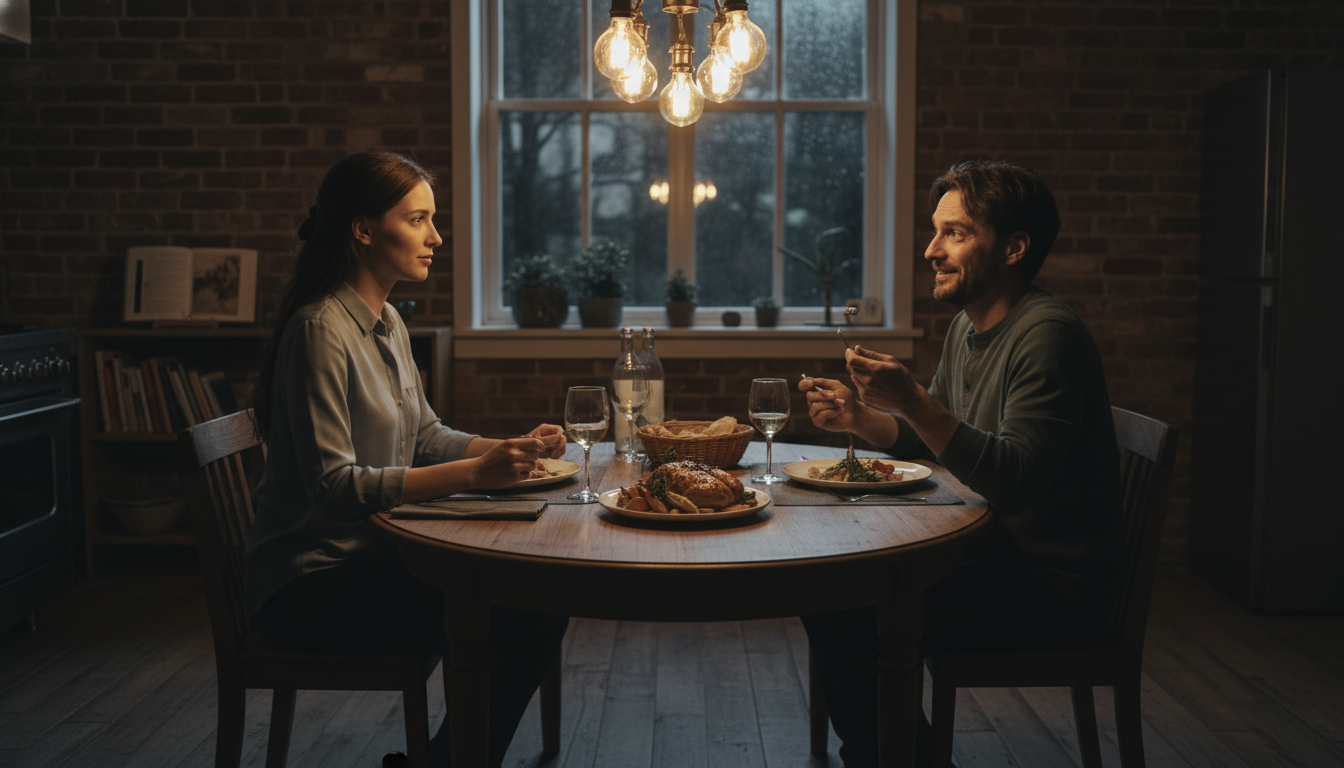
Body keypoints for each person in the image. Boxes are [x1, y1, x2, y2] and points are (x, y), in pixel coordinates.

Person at [245, 151, 569, 767]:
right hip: (309, 586)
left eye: (433, 220)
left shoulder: (388, 319)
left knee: (535, 599)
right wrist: (475, 473)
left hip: (372, 559)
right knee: (527, 609)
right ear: (363, 229)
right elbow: (333, 490)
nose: (436, 237)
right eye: (418, 220)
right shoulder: (319, 330)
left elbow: (425, 434)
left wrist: (502, 450)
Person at [798, 160, 1124, 767]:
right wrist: (863, 420)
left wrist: (915, 400)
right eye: (934, 230)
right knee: (832, 591)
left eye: (956, 233)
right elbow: (934, 443)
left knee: (843, 608)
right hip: (992, 555)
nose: (931, 250)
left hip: (1049, 592)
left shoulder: (1047, 336)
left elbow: (1013, 481)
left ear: (1014, 247)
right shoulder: (965, 330)